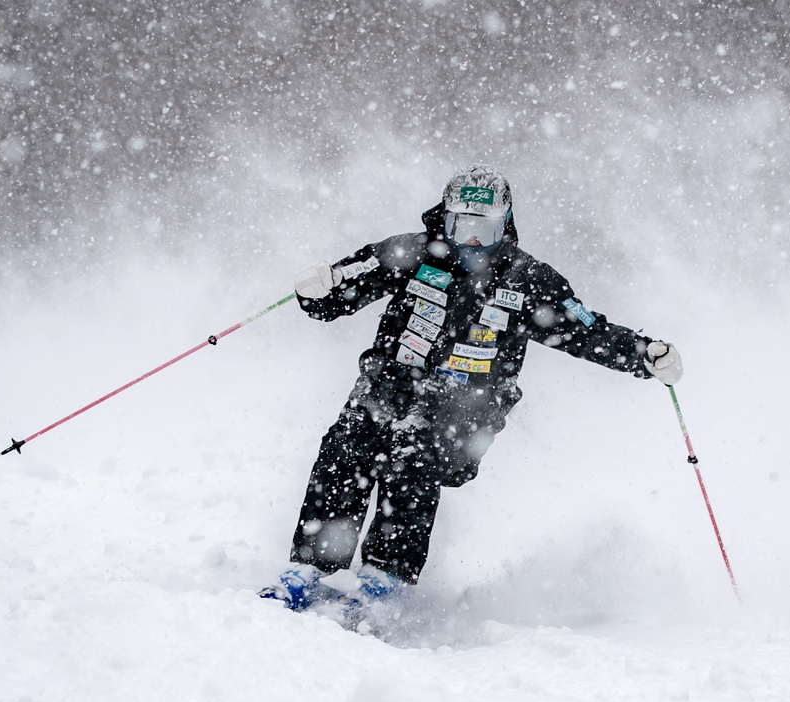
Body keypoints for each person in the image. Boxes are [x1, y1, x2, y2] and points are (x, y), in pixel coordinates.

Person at [260, 165, 683, 611]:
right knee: (347, 448)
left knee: (413, 457)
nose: (475, 240)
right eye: (464, 225)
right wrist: (317, 288)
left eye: (488, 228)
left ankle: (383, 580)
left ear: (507, 223)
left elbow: (585, 330)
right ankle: (312, 568)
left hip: (465, 407)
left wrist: (643, 355)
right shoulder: (409, 252)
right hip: (389, 384)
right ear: (445, 217)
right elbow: (338, 292)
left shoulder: (527, 280)